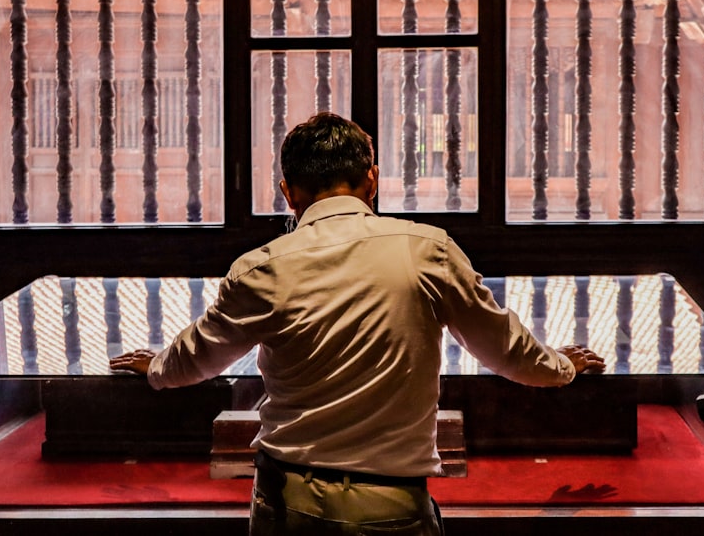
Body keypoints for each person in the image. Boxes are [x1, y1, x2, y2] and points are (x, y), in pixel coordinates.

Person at [110, 112, 606, 536]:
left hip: (288, 501)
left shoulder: (263, 267)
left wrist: (154, 366)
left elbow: (195, 359)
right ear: (372, 180)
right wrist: (563, 366)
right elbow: (508, 350)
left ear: (289, 192)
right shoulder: (427, 251)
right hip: (391, 506)